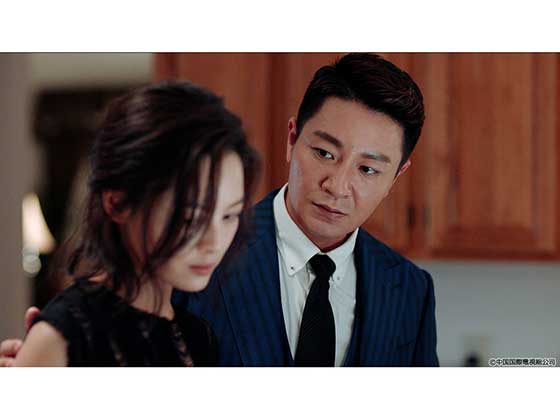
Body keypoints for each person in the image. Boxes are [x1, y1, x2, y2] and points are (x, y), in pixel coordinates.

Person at [1, 53, 438, 367]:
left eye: (367, 169)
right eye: (324, 153)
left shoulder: (411, 291)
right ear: (292, 139)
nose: (337, 186)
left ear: (396, 176)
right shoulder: (187, 261)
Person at [3, 81, 259, 366]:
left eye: (229, 216)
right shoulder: (62, 337)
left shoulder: (198, 336)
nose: (213, 243)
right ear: (117, 203)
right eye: (190, 219)